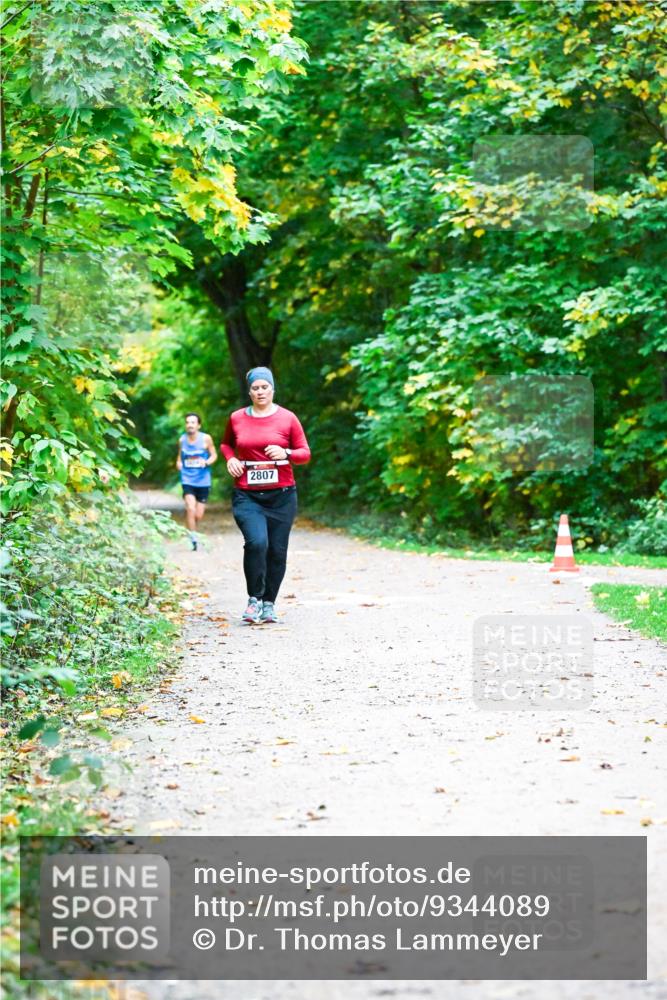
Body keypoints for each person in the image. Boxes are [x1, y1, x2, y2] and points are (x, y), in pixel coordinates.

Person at [220, 367, 311, 624]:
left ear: (272, 389)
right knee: (257, 543)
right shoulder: (237, 418)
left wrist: (287, 453)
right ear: (249, 392)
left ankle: (269, 604)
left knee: (277, 551)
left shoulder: (288, 418)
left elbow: (304, 453)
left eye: (264, 387)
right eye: (255, 388)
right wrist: (230, 459)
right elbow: (226, 444)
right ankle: (254, 600)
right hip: (247, 495)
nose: (260, 392)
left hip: (282, 496)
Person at [176, 412, 217, 550]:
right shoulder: (182, 440)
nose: (190, 425)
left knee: (198, 515)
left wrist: (207, 462)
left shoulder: (206, 438)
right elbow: (179, 457)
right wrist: (178, 463)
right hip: (187, 479)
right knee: (190, 508)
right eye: (187, 422)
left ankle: (190, 527)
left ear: (198, 425)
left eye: (193, 422)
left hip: (203, 480)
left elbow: (214, 455)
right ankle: (193, 539)